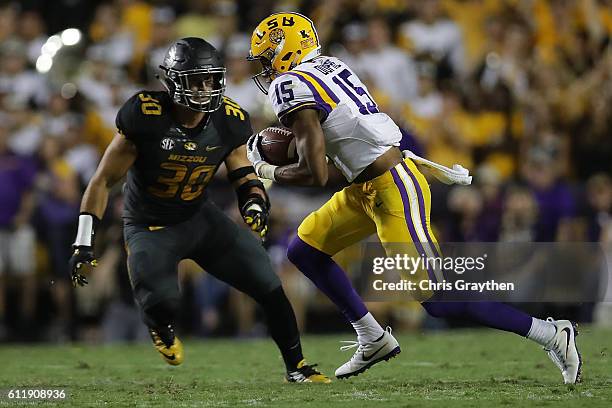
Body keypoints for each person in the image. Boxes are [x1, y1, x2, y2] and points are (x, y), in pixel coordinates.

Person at [245, 12, 581, 383]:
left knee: (438, 300)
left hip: (393, 186)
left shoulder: (290, 84)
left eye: (266, 58)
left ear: (285, 51)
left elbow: (317, 173)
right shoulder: (329, 64)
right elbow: (338, 146)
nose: (265, 70)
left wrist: (266, 169)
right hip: (366, 186)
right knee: (304, 250)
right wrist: (295, 147)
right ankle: (372, 337)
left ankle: (551, 333)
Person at [68, 37, 329, 383]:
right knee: (162, 303)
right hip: (150, 226)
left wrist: (254, 201)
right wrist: (83, 242)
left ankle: (296, 367)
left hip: (199, 218)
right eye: (196, 79)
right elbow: (101, 181)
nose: (206, 88)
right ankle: (160, 326)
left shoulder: (229, 119)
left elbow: (242, 170)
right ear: (173, 81)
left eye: (211, 79)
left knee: (268, 283)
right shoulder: (144, 115)